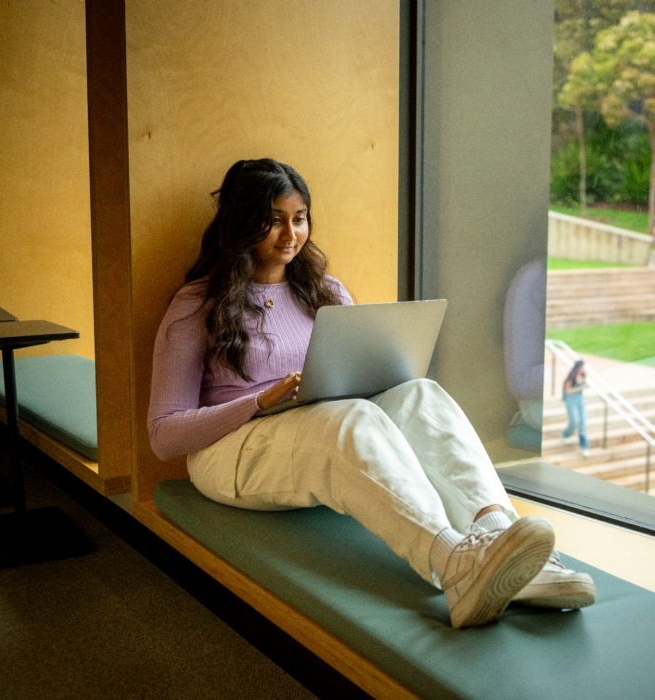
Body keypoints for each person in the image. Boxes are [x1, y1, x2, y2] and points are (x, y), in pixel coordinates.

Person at [148, 158, 595, 628]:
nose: (289, 234)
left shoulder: (324, 291)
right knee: (349, 419)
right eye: (273, 220)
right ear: (240, 223)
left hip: (316, 426)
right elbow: (163, 434)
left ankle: (503, 545)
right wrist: (259, 401)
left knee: (420, 394)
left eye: (299, 219)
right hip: (228, 452)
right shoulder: (197, 305)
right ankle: (453, 564)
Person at [562, 359, 590, 456]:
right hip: (571, 399)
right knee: (574, 420)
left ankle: (584, 446)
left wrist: (583, 384)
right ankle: (566, 434)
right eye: (582, 367)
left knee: (582, 423)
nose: (583, 369)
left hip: (580, 399)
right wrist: (580, 387)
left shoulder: (583, 375)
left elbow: (584, 385)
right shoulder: (571, 377)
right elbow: (568, 390)